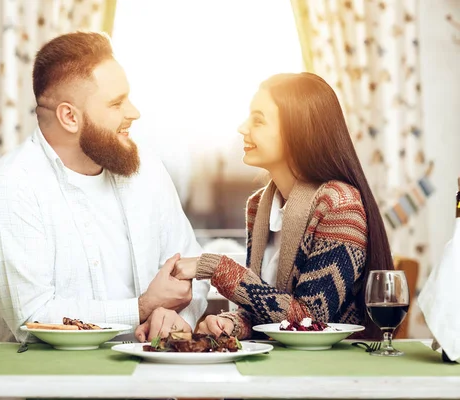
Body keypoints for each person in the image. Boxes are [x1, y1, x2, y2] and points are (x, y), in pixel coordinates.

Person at [0, 31, 209, 343]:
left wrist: (177, 319)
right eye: (116, 103)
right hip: (43, 388)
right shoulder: (8, 189)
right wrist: (142, 308)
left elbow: (192, 270)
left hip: (147, 381)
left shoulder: (146, 169)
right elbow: (33, 319)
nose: (134, 112)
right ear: (69, 117)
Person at [136, 72, 392, 342]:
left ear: (299, 131)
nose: (243, 128)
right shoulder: (259, 206)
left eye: (258, 120)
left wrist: (213, 266)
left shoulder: (339, 205)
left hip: (334, 368)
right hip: (281, 366)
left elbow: (310, 320)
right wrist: (227, 324)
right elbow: (266, 311)